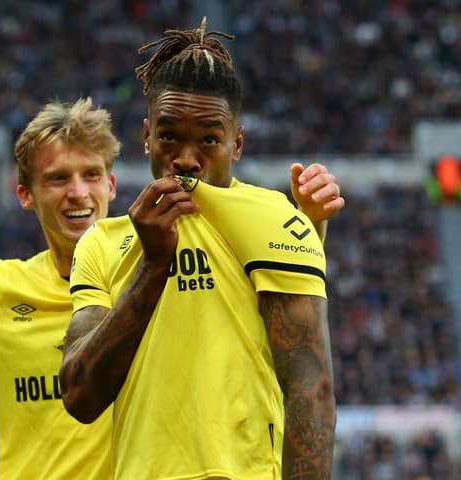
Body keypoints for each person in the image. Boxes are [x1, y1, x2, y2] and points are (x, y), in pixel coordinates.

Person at [0, 106, 339, 477]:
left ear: (112, 185)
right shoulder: (0, 290)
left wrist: (308, 228)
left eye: (91, 176)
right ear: (25, 195)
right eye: (58, 179)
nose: (78, 192)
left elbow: (278, 326)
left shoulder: (171, 266)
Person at [60, 21, 341, 480]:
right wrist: (153, 264)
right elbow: (79, 398)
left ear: (237, 143)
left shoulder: (275, 220)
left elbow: (311, 391)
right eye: (169, 136)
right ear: (147, 136)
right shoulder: (102, 242)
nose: (187, 157)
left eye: (209, 139)